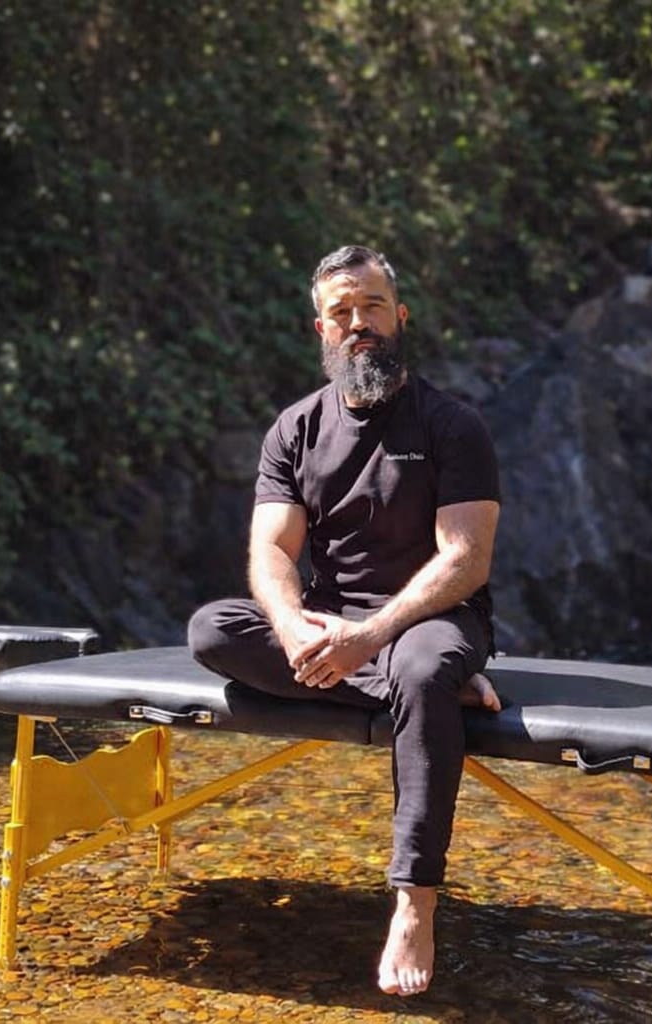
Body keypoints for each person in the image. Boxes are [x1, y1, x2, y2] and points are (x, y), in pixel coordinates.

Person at [187, 244, 502, 997]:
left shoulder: (452, 425)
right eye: (342, 311)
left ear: (400, 316)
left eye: (372, 306)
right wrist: (294, 628)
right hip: (332, 624)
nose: (358, 322)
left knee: (422, 664)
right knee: (214, 630)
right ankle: (427, 692)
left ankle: (414, 903)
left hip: (434, 617)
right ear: (321, 328)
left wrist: (373, 635)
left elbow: (466, 559)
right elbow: (271, 549)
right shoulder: (294, 429)